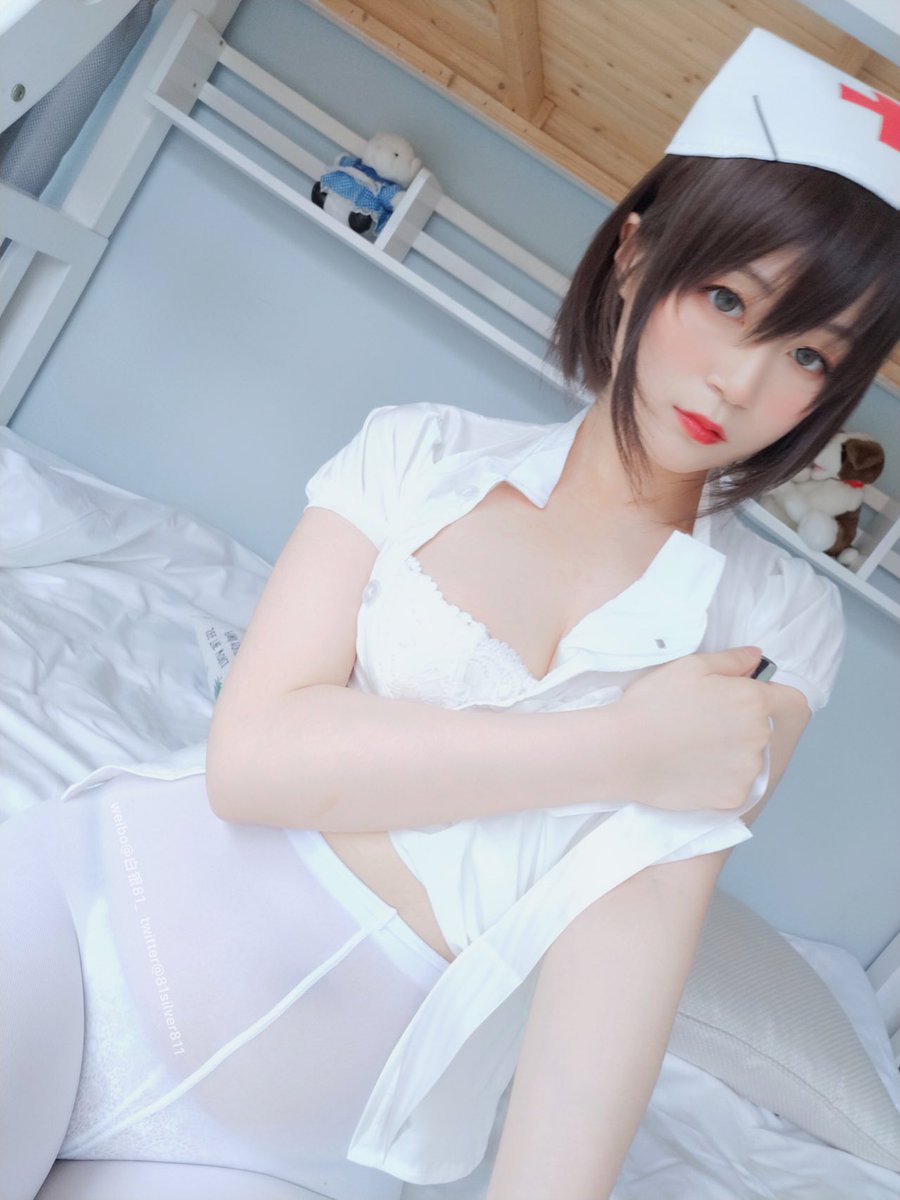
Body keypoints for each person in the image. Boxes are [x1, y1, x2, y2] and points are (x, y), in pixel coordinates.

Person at [1, 26, 898, 1200]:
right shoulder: (416, 454)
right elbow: (254, 763)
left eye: (810, 356)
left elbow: (629, 938)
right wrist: (618, 747)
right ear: (636, 253)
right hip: (90, 922)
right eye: (726, 298)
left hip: (299, 1142)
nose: (743, 380)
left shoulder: (776, 626)